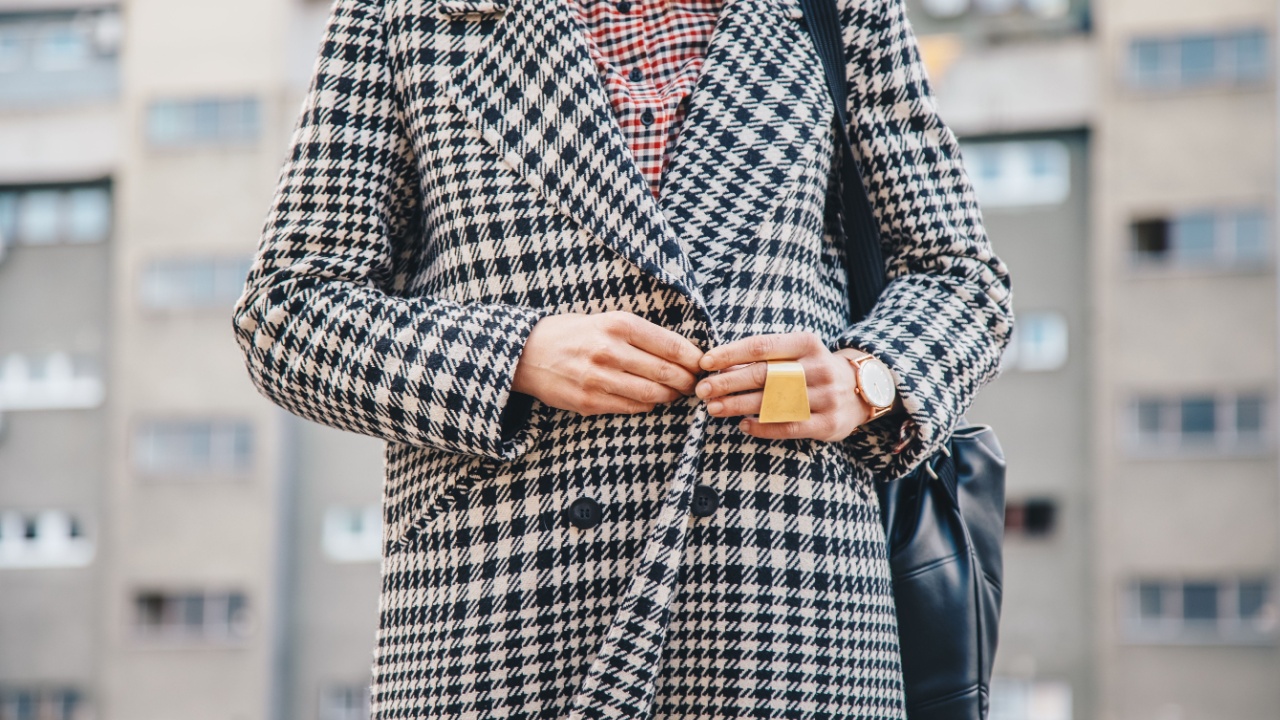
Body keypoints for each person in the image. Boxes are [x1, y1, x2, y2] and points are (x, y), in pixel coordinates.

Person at [232, 0, 1013, 717]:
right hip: (503, 615)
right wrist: (517, 356)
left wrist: (864, 379)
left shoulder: (838, 7)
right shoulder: (407, 14)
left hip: (788, 603)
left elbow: (963, 278)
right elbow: (285, 311)